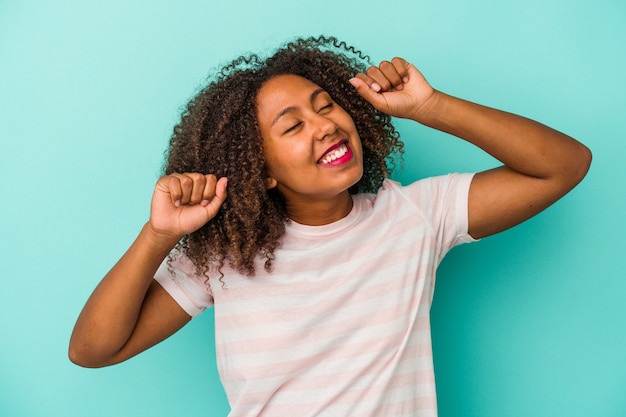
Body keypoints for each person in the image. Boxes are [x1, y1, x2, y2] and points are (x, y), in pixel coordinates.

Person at [69, 36, 591, 416]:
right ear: (261, 169)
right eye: (293, 126)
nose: (325, 125)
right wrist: (158, 236)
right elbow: (92, 351)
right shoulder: (225, 254)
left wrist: (431, 106)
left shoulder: (415, 215)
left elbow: (563, 165)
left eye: (328, 106)